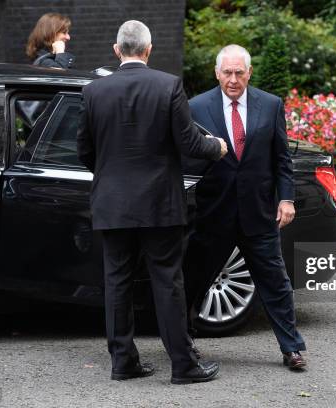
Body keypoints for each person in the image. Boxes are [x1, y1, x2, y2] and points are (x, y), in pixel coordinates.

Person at [77, 20, 228, 384]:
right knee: (167, 283)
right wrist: (218, 147)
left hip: (112, 204)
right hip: (159, 204)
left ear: (117, 50)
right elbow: (190, 143)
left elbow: (85, 151)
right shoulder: (168, 85)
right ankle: (182, 364)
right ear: (148, 50)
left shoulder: (94, 92)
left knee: (117, 284)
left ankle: (123, 363)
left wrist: (111, 173)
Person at [183, 44, 306, 370]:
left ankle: (292, 348)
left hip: (258, 213)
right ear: (217, 73)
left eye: (239, 73)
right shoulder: (195, 107)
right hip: (213, 213)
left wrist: (286, 198)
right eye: (228, 73)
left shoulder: (270, 105)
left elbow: (282, 159)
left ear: (249, 73)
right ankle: (183, 342)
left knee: (276, 283)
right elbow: (186, 161)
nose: (233, 79)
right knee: (193, 281)